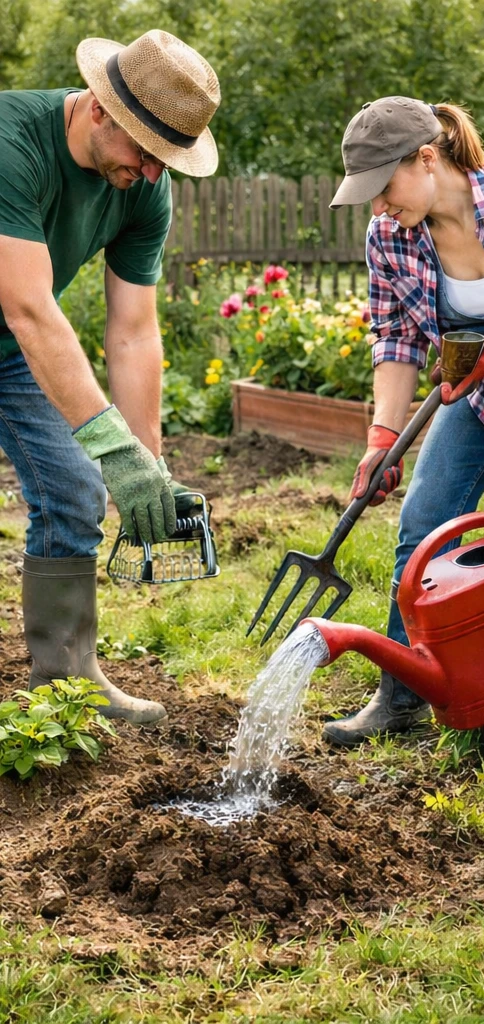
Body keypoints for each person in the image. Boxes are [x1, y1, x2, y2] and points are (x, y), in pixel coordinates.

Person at [0, 30, 220, 724]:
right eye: (145, 152)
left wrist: (144, 463)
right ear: (98, 107)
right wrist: (112, 444)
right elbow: (31, 309)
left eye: (166, 159)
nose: (154, 173)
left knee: (73, 489)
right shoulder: (13, 144)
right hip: (20, 322)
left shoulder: (143, 191)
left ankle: (65, 688)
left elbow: (133, 331)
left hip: (10, 345)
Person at [323, 96, 484, 747]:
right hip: (480, 402)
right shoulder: (390, 238)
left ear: (427, 157)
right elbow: (397, 341)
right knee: (424, 524)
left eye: (382, 188)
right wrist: (382, 438)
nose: (376, 207)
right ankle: (405, 696)